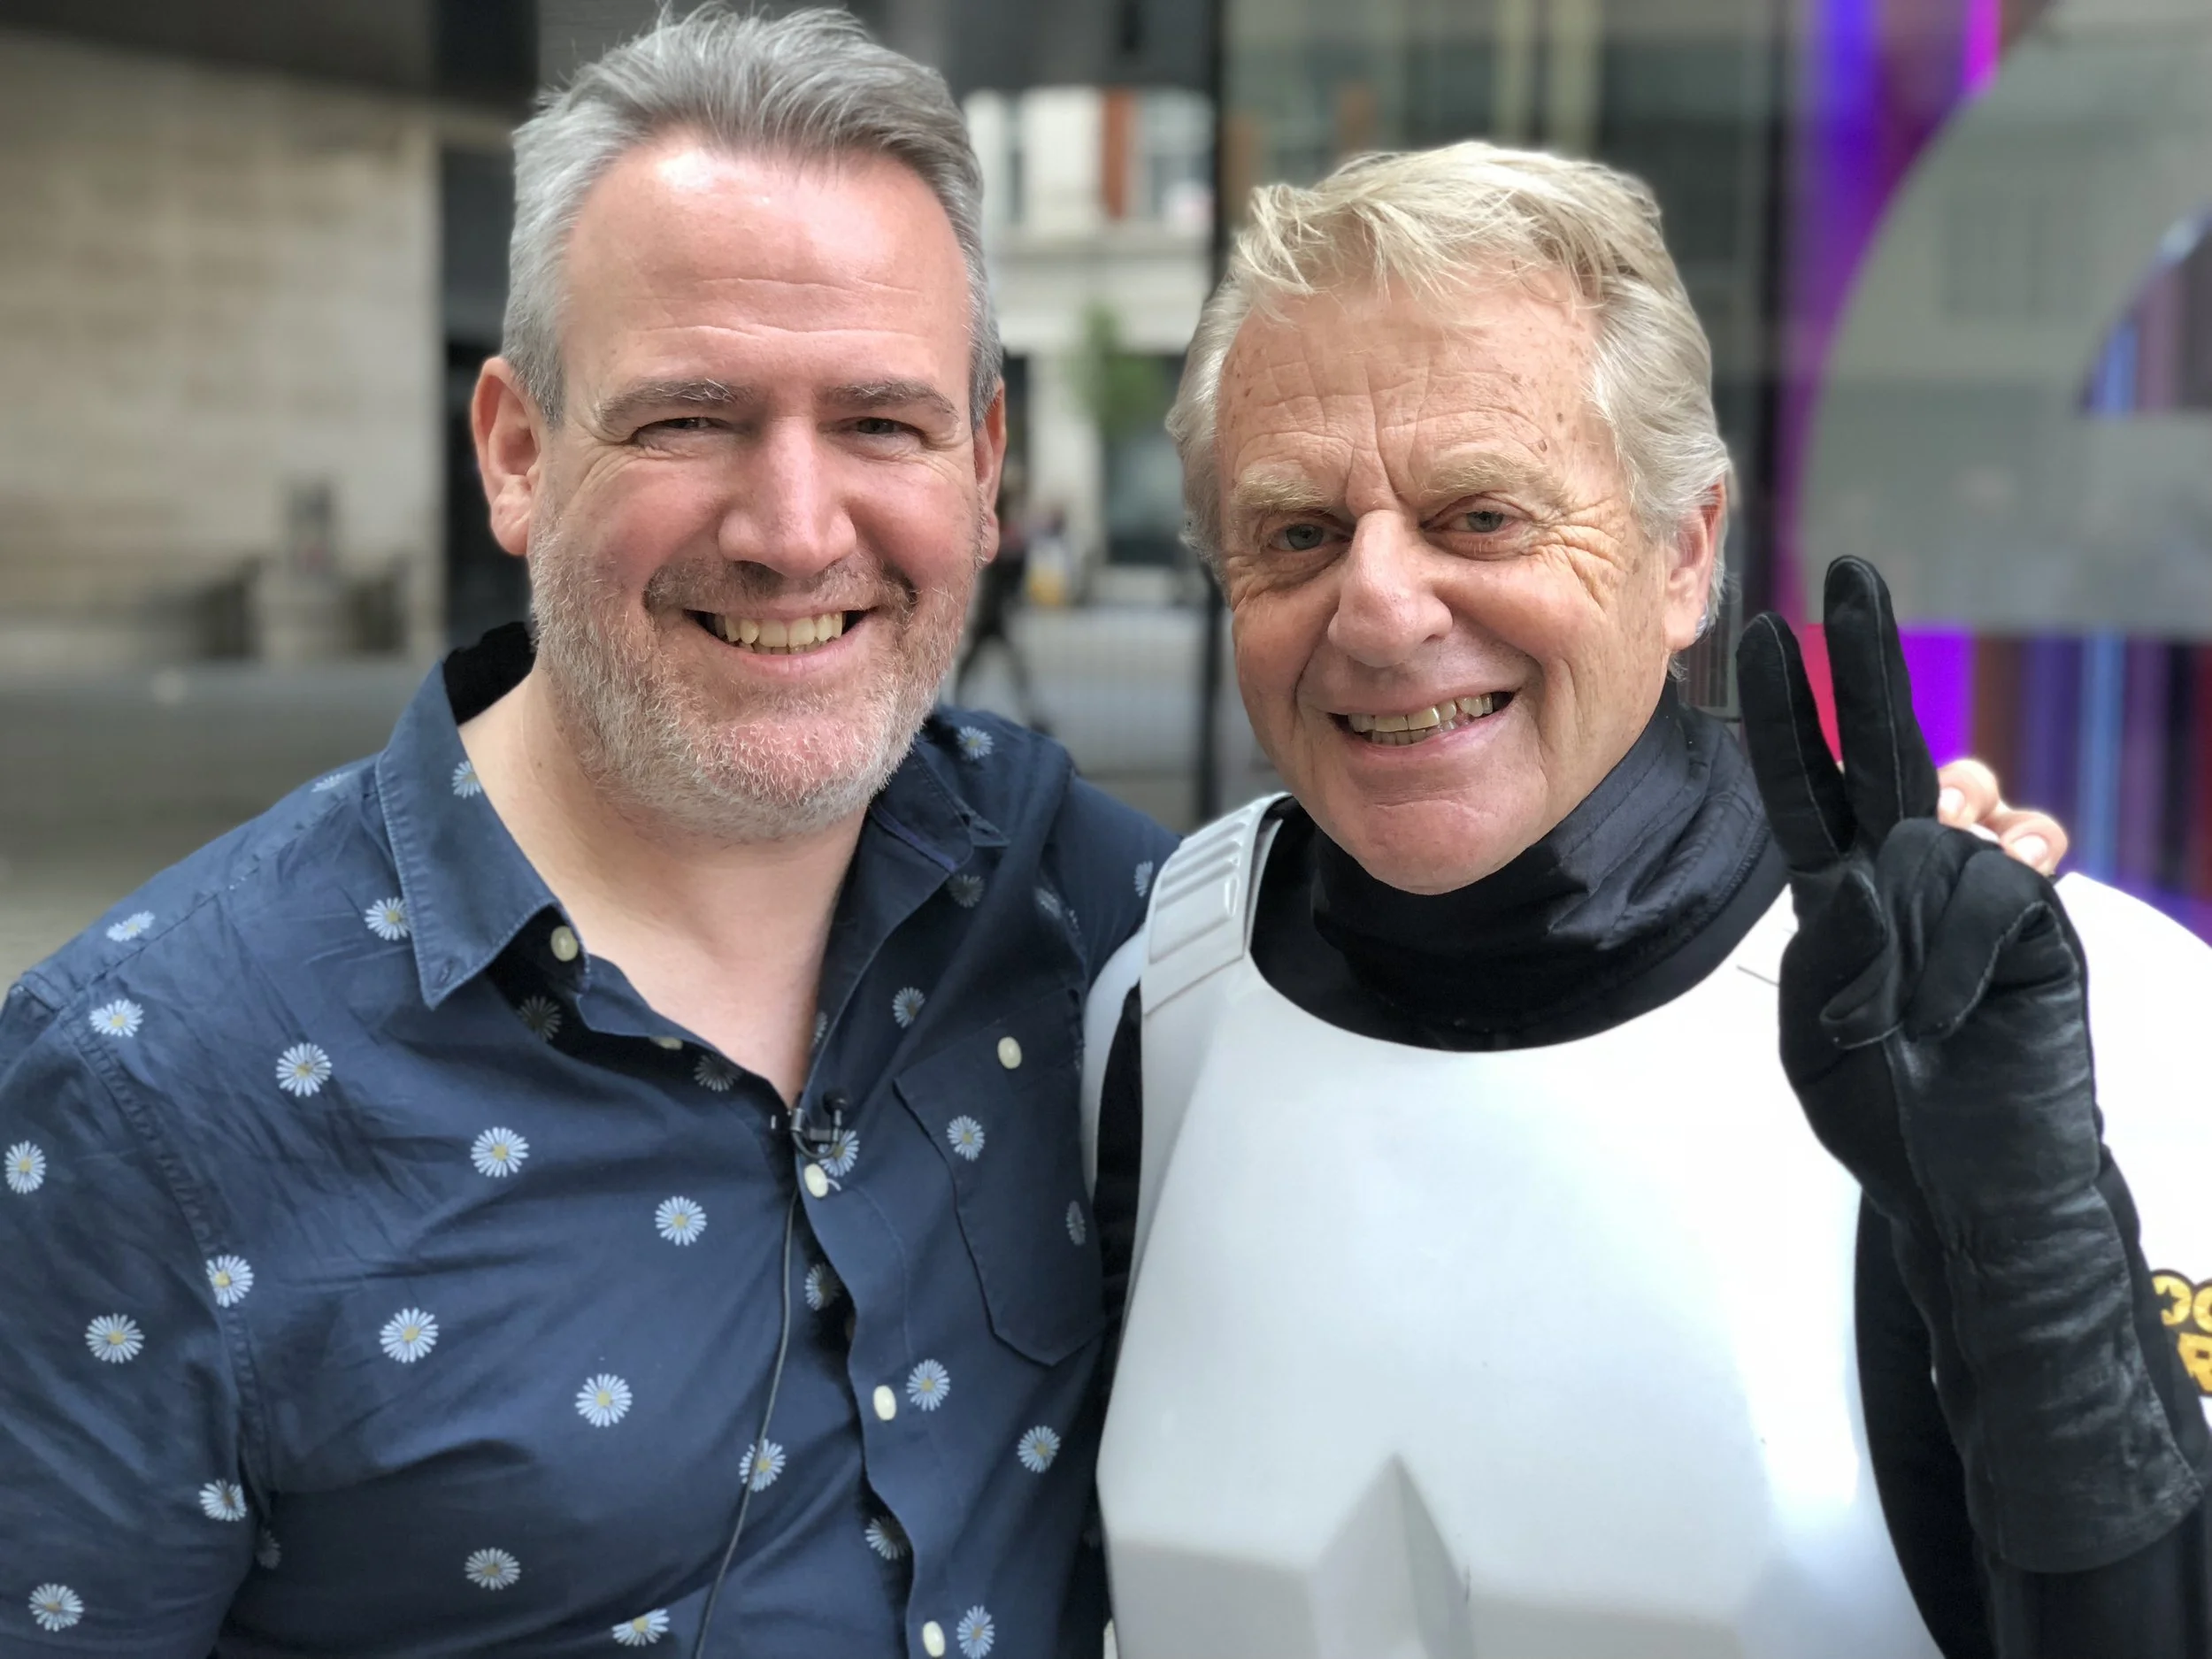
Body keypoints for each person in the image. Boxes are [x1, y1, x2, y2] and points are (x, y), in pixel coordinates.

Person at [0, 10, 1172, 1654]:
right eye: (690, 417)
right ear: (518, 452)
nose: (792, 527)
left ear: (983, 469)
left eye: (881, 423)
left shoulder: (1104, 919)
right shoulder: (140, 1093)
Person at [1086, 142, 2209, 1658]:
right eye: (1296, 532)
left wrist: (2041, 1291)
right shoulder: (1154, 1007)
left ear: (1685, 554)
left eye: (1480, 514)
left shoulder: (2035, 1018)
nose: (1378, 605)